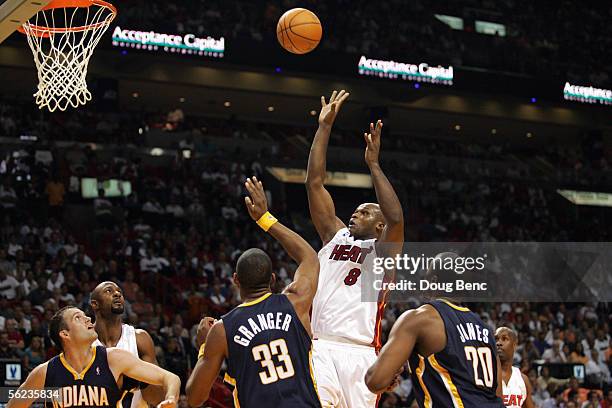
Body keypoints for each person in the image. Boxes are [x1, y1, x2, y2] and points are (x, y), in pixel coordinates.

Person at [305, 89, 404, 408]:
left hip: (361, 352)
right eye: (356, 209)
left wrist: (374, 165)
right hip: (320, 346)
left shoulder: (385, 250)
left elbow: (397, 218)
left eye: (364, 211)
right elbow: (315, 183)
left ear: (378, 226)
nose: (355, 213)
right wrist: (324, 128)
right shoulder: (334, 235)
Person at [186, 177, 321, 407]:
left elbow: (194, 398)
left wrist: (203, 348)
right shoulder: (296, 303)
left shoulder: (222, 330)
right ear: (273, 279)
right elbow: (309, 256)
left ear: (236, 280)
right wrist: (265, 219)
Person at [365, 252, 504, 408]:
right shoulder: (486, 329)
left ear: (433, 281)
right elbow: (497, 393)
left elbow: (375, 381)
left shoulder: (420, 319)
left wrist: (388, 374)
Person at [7, 306, 180, 408]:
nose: (88, 319)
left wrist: (171, 398)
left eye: (85, 316)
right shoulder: (45, 372)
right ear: (65, 334)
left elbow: (169, 378)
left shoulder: (113, 359)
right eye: (78, 318)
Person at [90, 281, 165, 408]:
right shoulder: (83, 342)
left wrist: (140, 376)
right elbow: (55, 391)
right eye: (109, 291)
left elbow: (156, 399)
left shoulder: (140, 338)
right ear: (95, 304)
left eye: (120, 292)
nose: (117, 294)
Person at [495, 326, 535, 408]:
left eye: (504, 339)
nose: (498, 343)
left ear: (514, 345)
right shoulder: (484, 376)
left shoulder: (523, 380)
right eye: (496, 339)